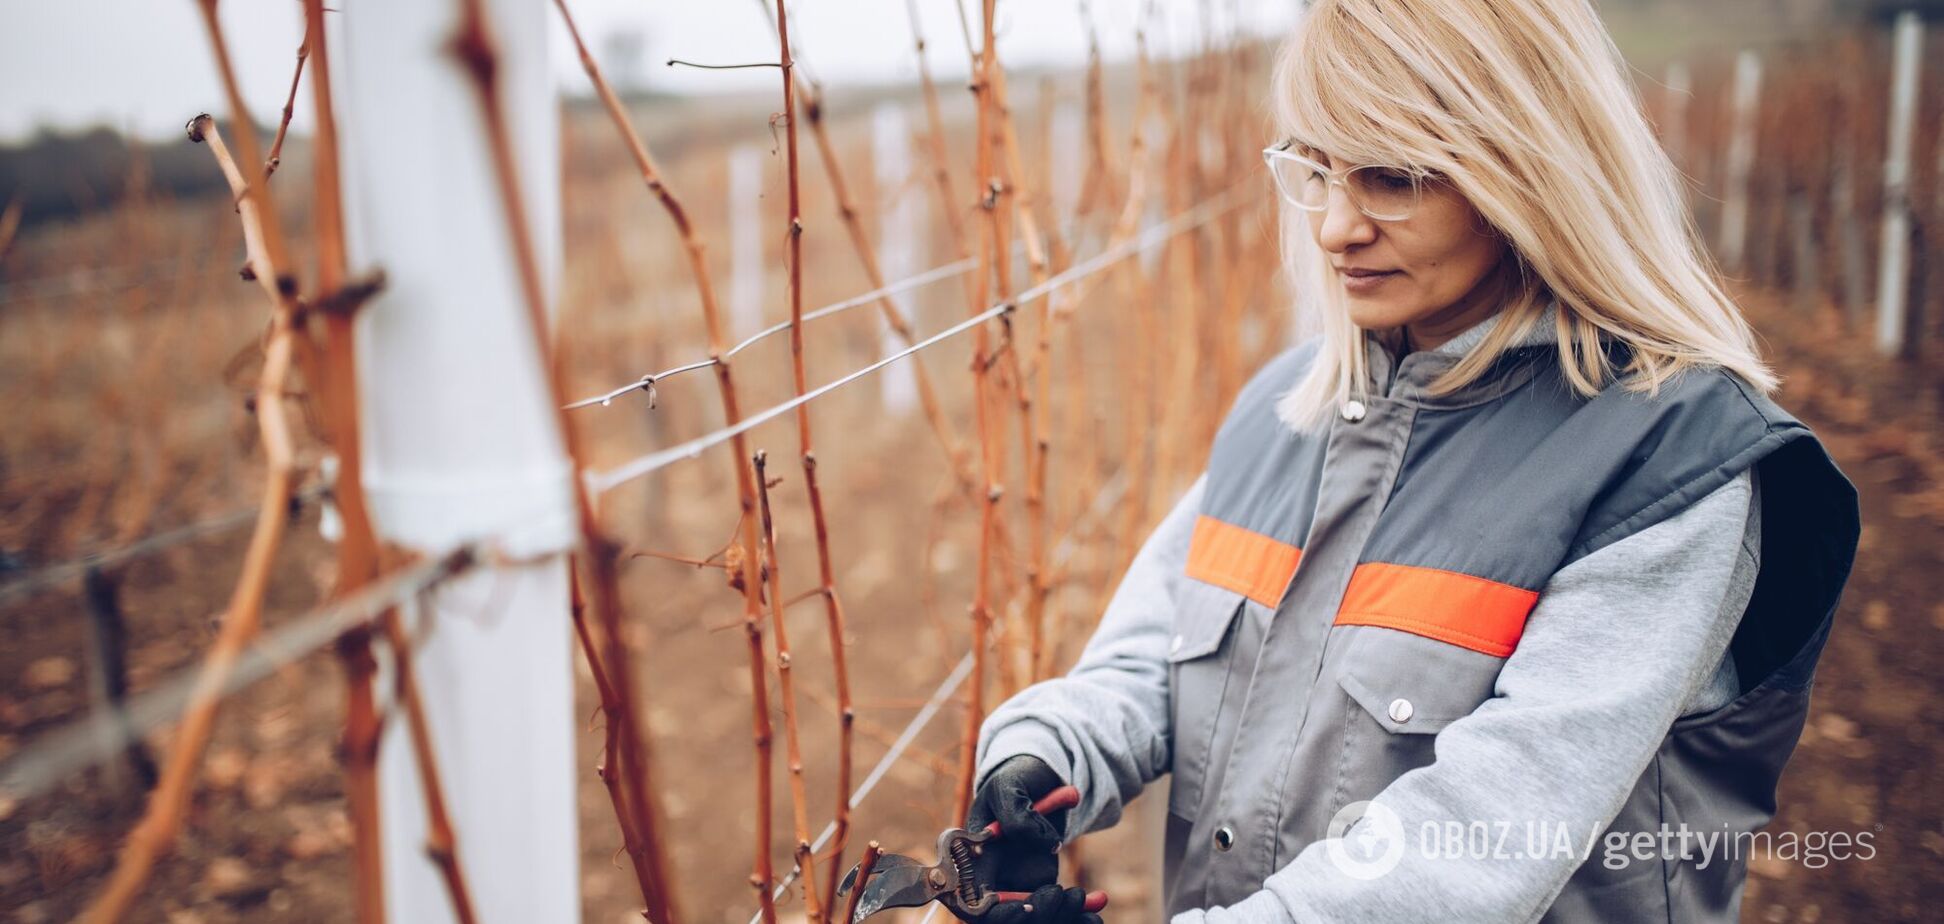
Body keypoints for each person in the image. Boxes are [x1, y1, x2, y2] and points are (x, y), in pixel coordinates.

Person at [963, 1, 1861, 921]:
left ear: (1531, 169)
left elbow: (1481, 833)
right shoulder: (1280, 415)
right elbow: (1153, 659)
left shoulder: (1667, 463)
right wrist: (1043, 756)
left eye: (1392, 177)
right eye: (1317, 170)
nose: (1334, 229)